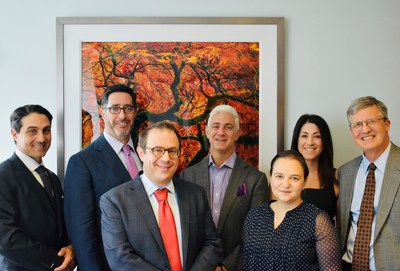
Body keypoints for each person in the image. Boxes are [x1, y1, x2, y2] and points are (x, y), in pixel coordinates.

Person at [100, 121, 223, 270]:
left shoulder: (196, 195)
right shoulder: (114, 201)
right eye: (157, 150)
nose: (166, 158)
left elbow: (212, 243)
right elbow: (120, 259)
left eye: (172, 150)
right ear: (141, 153)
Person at [180, 104, 268, 271]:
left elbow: (256, 232)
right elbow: (186, 228)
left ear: (237, 133)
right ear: (206, 131)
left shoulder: (255, 179)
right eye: (216, 126)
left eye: (228, 127)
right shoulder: (187, 176)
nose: (221, 132)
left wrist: (228, 265)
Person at [64, 85, 142, 271]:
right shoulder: (82, 162)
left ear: (134, 112)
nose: (122, 116)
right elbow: (81, 231)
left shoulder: (147, 154)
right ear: (102, 112)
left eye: (128, 108)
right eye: (115, 108)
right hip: (108, 266)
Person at [0, 105, 76, 271]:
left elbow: (61, 225)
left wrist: (70, 249)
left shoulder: (52, 178)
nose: (42, 138)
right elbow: (6, 238)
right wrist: (56, 263)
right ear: (14, 134)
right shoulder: (3, 176)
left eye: (46, 130)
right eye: (32, 131)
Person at [238, 150, 341, 270]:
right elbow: (242, 262)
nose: (286, 184)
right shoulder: (255, 214)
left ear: (304, 182)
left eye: (294, 178)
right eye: (279, 176)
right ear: (271, 178)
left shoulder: (318, 220)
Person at [338, 96, 400, 270]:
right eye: (357, 125)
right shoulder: (345, 173)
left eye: (371, 121)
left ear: (386, 124)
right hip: (348, 265)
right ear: (351, 131)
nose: (365, 129)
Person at [290, 114, 339, 223]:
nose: (310, 142)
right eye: (304, 136)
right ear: (296, 140)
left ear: (324, 141)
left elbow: (344, 224)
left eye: (317, 136)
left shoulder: (336, 177)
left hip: (326, 239)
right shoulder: (281, 177)